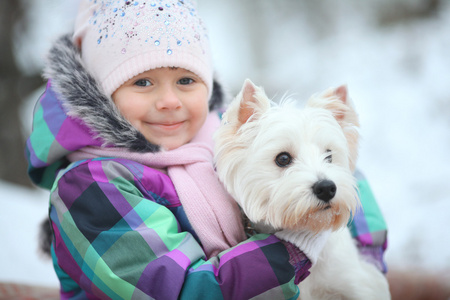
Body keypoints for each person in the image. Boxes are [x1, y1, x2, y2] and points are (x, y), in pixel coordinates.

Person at [25, 0, 388, 299]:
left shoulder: (222, 139)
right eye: (142, 81)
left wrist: (363, 268)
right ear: (102, 91)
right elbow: (177, 290)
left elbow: (339, 176)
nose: (169, 100)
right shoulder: (91, 185)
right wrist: (291, 251)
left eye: (186, 80)